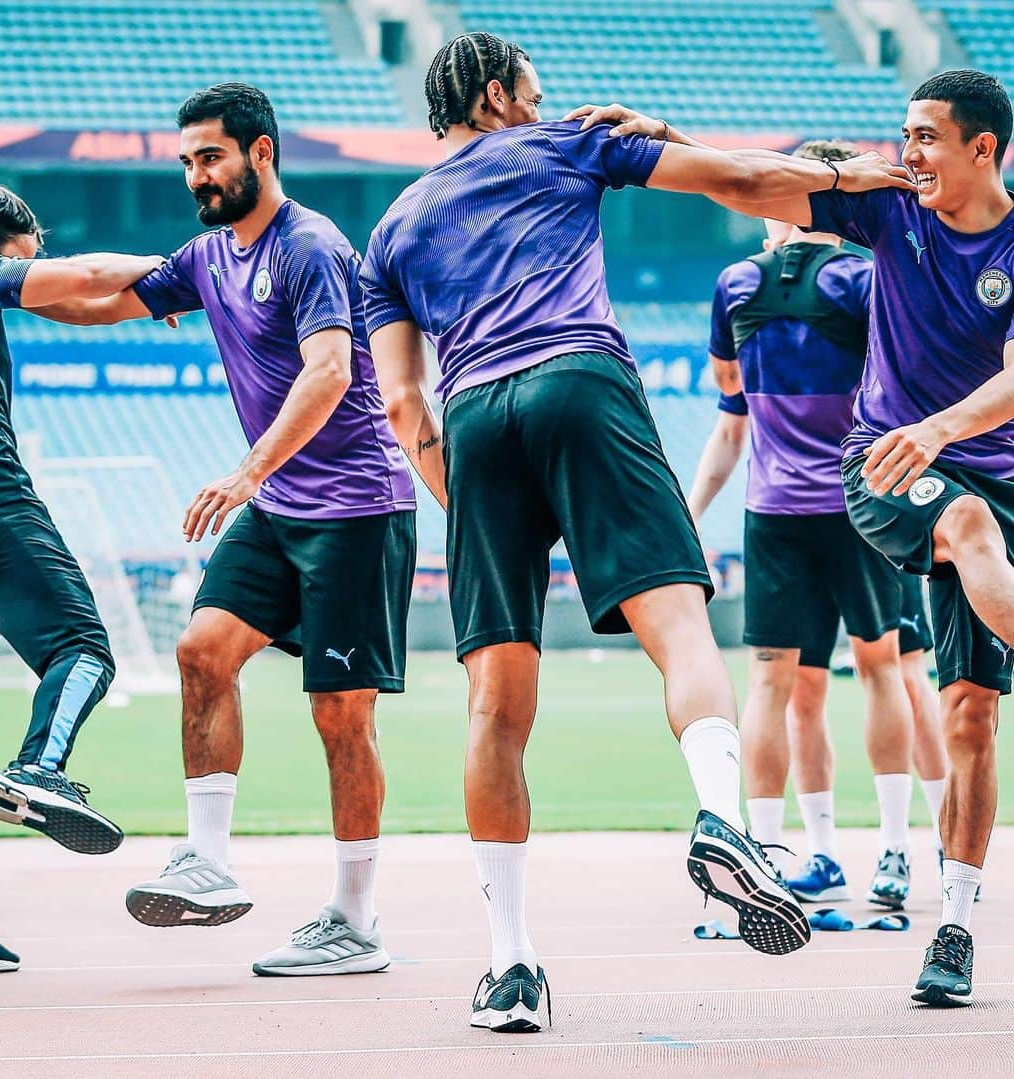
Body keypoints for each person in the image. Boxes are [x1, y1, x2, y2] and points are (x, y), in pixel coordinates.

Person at [361, 31, 913, 1032]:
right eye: (532, 88)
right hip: (580, 378)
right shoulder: (567, 144)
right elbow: (741, 175)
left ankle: (512, 964)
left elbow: (403, 407)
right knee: (681, 622)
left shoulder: (391, 229)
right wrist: (865, 174)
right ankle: (721, 819)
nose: (543, 100)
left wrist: (485, 513)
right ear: (496, 94)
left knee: (495, 698)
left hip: (474, 415)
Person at [572, 67, 1013, 1008]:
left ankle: (957, 925)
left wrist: (944, 426)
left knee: (971, 711)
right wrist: (664, 129)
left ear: (985, 147)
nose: (908, 154)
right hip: (885, 470)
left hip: (977, 463)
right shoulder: (889, 214)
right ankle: (779, 841)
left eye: (927, 137)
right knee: (960, 530)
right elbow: (749, 183)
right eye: (904, 135)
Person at [37, 84, 417, 976]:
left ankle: (355, 922)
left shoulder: (312, 246)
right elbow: (101, 299)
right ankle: (207, 860)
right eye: (186, 161)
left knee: (340, 717)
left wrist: (249, 471)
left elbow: (329, 372)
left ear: (261, 153)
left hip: (358, 508)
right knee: (202, 651)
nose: (195, 175)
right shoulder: (209, 256)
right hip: (284, 509)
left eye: (209, 157)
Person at [686, 164, 928, 910]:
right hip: (862, 501)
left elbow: (732, 422)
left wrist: (689, 515)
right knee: (881, 668)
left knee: (777, 685)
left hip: (775, 511)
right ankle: (892, 849)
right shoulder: (862, 281)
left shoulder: (735, 287)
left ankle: (773, 851)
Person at [0, 183, 162, 975]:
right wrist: (177, 271)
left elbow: (78, 303)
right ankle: (41, 768)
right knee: (84, 647)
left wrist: (138, 300)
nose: (36, 267)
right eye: (28, 252)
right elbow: (75, 278)